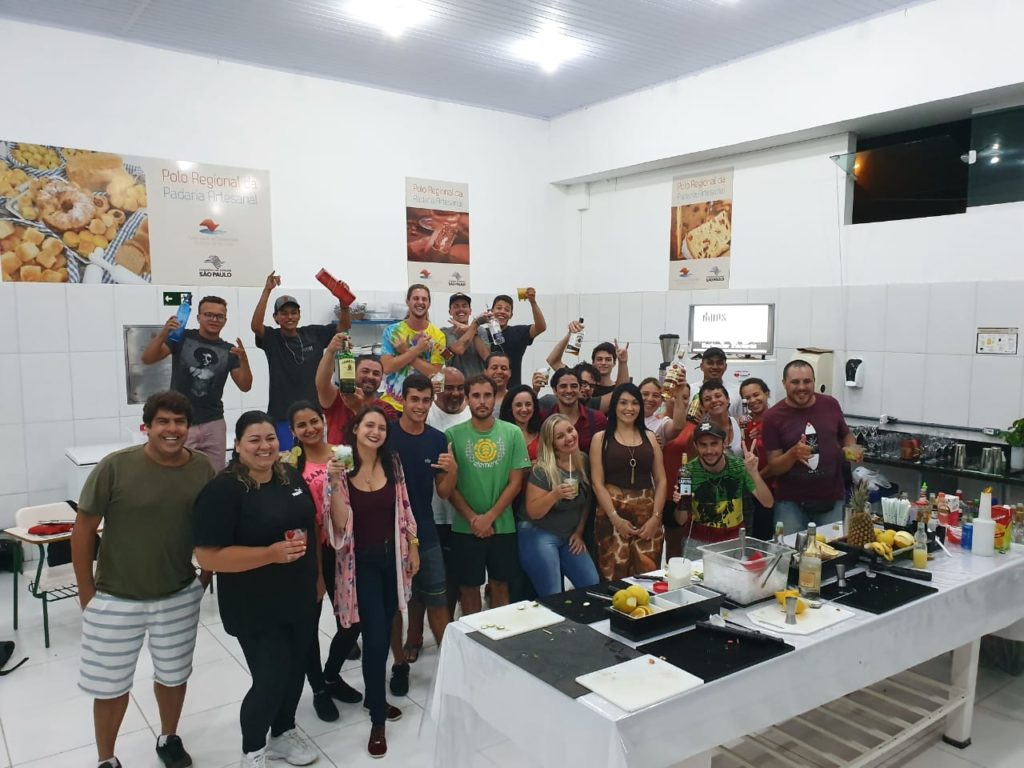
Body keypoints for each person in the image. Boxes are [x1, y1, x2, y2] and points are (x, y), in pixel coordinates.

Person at [71, 391, 214, 768]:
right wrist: (87, 592)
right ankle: (106, 758)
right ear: (146, 427)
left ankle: (169, 737)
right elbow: (82, 530)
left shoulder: (201, 468)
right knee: (110, 686)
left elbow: (212, 525)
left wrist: (205, 575)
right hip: (115, 597)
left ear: (189, 427)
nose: (172, 429)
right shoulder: (115, 467)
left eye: (179, 422)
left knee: (173, 676)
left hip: (177, 594)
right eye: (163, 421)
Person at [193, 412, 321, 768]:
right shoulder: (223, 491)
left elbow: (310, 528)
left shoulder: (289, 476)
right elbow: (208, 556)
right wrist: (269, 554)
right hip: (253, 605)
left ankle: (283, 733)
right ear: (237, 445)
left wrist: (318, 579)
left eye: (270, 438)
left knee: (295, 671)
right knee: (270, 679)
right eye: (254, 440)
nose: (264, 446)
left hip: (298, 596)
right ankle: (253, 751)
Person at [325, 407, 420, 759]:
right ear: (356, 428)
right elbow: (339, 524)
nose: (375, 432)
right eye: (369, 425)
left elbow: (405, 507)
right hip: (360, 565)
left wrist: (413, 545)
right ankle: (377, 717)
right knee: (377, 641)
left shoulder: (392, 463)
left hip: (392, 561)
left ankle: (372, 699)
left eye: (381, 427)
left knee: (388, 624)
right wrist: (335, 481)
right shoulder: (342, 466)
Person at [283, 402, 364, 723]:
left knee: (352, 621)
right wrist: (315, 573)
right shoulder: (291, 464)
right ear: (293, 431)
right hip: (309, 554)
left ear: (323, 421)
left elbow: (355, 494)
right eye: (301, 425)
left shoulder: (342, 453)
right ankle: (318, 689)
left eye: (314, 421)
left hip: (344, 549)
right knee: (308, 627)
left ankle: (331, 675)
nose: (310, 429)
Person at [385, 375, 457, 698]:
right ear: (403, 399)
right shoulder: (386, 435)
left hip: (425, 530)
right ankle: (399, 664)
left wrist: (452, 470)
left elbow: (443, 492)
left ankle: (450, 664)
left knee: (438, 598)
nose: (420, 406)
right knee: (394, 604)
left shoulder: (437, 439)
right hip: (388, 532)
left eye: (426, 400)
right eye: (414, 399)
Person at [446, 375, 531, 614]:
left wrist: (489, 518)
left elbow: (516, 483)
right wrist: (473, 519)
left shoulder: (512, 433)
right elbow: (449, 486)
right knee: (468, 589)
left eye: (487, 395)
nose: (482, 401)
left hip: (502, 526)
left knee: (500, 585)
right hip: (465, 526)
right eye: (476, 395)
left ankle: (500, 634)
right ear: (467, 399)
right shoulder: (452, 435)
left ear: (495, 398)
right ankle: (473, 635)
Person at [142, 296, 253, 471]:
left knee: (215, 474)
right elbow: (148, 358)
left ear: (225, 320)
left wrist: (245, 360)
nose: (214, 319)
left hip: (214, 422)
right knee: (179, 472)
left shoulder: (229, 350)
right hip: (181, 420)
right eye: (208, 314)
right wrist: (163, 334)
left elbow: (245, 386)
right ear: (198, 317)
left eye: (219, 316)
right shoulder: (182, 338)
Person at [251, 271, 349, 449]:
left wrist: (344, 305)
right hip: (282, 416)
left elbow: (344, 326)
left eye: (293, 312)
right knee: (286, 460)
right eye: (283, 313)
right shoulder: (273, 339)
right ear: (275, 318)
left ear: (299, 314)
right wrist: (266, 290)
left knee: (316, 458)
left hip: (314, 413)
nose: (289, 317)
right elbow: (256, 326)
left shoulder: (314, 333)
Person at [762, 360, 862, 533]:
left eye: (807, 381)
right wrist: (793, 454)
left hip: (831, 500)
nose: (802, 387)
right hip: (790, 504)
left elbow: (846, 434)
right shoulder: (773, 417)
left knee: (831, 548)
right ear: (784, 383)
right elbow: (774, 467)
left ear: (814, 381)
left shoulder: (830, 404)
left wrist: (850, 447)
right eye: (795, 382)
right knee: (789, 549)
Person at [590, 384, 667, 580]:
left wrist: (656, 518)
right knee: (612, 577)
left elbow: (661, 480)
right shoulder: (600, 439)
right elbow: (597, 483)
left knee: (648, 576)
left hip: (647, 516)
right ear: (614, 406)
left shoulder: (650, 437)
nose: (629, 408)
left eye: (634, 403)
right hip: (611, 515)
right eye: (623, 403)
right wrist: (615, 519)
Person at [521, 414, 600, 596]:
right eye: (560, 436)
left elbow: (586, 502)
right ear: (552, 444)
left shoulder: (583, 460)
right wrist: (555, 494)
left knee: (591, 581)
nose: (569, 437)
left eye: (570, 430)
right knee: (552, 591)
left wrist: (578, 532)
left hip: (568, 534)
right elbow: (533, 512)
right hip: (538, 532)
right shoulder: (542, 470)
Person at [673, 421, 774, 559]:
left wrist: (754, 473)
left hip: (733, 541)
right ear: (696, 446)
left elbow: (768, 503)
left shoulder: (738, 466)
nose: (709, 451)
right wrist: (681, 503)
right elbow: (680, 520)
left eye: (714, 443)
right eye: (703, 445)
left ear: (724, 443)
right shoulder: (688, 472)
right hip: (697, 543)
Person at [427, 366, 471, 620]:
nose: (455, 393)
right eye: (448, 387)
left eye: (460, 388)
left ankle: (454, 626)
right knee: (430, 581)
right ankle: (418, 633)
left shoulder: (471, 413)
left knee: (459, 578)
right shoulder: (425, 412)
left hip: (463, 514)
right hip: (431, 512)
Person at [315, 333, 397, 444]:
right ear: (353, 373)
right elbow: (322, 384)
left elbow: (382, 441)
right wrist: (330, 351)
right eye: (365, 371)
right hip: (337, 455)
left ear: (381, 378)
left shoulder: (386, 409)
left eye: (376, 373)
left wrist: (358, 409)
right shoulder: (338, 399)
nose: (370, 376)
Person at [380, 284, 446, 412]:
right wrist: (417, 350)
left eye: (424, 299)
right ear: (408, 301)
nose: (420, 302)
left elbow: (435, 374)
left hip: (422, 406)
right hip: (392, 404)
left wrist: (405, 352)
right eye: (416, 298)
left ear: (429, 304)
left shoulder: (438, 336)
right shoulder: (393, 331)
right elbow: (387, 367)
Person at [660, 382, 697, 559]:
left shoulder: (692, 427)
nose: (679, 401)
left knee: (676, 547)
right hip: (656, 493)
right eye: (674, 396)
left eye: (684, 397)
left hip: (677, 494)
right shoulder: (655, 422)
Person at [484, 290, 546, 387]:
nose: (502, 312)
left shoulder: (518, 332)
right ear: (491, 311)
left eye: (507, 310)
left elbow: (541, 327)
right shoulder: (482, 333)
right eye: (499, 308)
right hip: (487, 390)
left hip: (513, 390)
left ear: (511, 315)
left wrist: (533, 302)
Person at [739, 377, 775, 540]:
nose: (752, 400)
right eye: (747, 398)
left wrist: (756, 477)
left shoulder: (777, 420)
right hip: (752, 492)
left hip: (775, 488)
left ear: (766, 394)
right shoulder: (746, 425)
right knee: (754, 537)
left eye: (756, 395)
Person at [542, 367, 607, 453]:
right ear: (554, 390)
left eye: (574, 386)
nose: (569, 390)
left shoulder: (597, 419)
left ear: (580, 389)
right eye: (563, 386)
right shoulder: (544, 418)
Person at [687, 347, 743, 420]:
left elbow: (741, 420)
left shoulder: (737, 391)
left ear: (725, 367)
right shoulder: (689, 390)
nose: (715, 367)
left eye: (719, 363)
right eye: (710, 363)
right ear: (701, 366)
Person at [442, 292, 490, 378]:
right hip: (456, 384)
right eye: (456, 306)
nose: (461, 309)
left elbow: (486, 358)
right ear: (450, 311)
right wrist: (475, 324)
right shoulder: (445, 332)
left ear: (470, 311)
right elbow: (459, 349)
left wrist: (472, 330)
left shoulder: (481, 330)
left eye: (464, 306)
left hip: (479, 383)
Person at [698, 379, 743, 455]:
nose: (714, 400)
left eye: (718, 396)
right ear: (702, 406)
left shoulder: (741, 424)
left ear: (728, 399)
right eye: (707, 399)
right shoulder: (700, 432)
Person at [498, 384, 542, 461]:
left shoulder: (542, 434)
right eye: (518, 405)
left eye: (528, 404)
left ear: (534, 407)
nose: (524, 409)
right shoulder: (500, 436)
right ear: (510, 408)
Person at [639, 376, 687, 445]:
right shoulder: (626, 418)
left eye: (655, 395)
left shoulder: (661, 423)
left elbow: (678, 427)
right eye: (645, 394)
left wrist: (679, 393)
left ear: (661, 401)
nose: (650, 399)